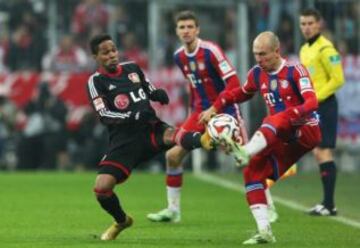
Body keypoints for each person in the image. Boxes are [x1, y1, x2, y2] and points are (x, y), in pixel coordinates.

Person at [200, 31, 321, 244]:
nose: (259, 59)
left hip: (305, 129)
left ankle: (245, 150)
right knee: (252, 172)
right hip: (280, 136)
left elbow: (312, 102)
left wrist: (292, 113)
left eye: (263, 54)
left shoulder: (295, 70)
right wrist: (215, 107)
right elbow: (240, 93)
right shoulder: (257, 73)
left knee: (273, 120)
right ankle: (265, 231)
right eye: (256, 54)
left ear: (277, 51)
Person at [87, 33, 211, 241]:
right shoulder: (96, 81)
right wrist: (132, 114)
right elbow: (104, 114)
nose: (111, 55)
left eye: (113, 50)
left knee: (174, 135)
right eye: (105, 52)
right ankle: (122, 220)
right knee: (102, 188)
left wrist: (156, 94)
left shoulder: (132, 69)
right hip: (123, 141)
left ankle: (208, 140)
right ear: (95, 57)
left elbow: (147, 87)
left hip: (149, 128)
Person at [146, 10, 248, 223]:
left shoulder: (211, 51)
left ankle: (268, 207)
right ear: (176, 31)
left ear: (198, 29)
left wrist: (215, 108)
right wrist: (193, 112)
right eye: (182, 27)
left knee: (245, 160)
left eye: (190, 27)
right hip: (200, 112)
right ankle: (173, 210)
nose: (186, 31)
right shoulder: (178, 56)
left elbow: (234, 84)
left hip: (225, 110)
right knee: (172, 156)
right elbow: (194, 85)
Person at [299, 9, 345, 216]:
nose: (307, 27)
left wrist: (315, 98)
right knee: (318, 151)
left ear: (319, 24)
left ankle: (329, 204)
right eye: (303, 24)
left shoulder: (326, 49)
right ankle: (327, 203)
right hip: (313, 107)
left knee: (323, 151)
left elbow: (338, 79)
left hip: (324, 105)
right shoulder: (305, 49)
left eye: (310, 23)